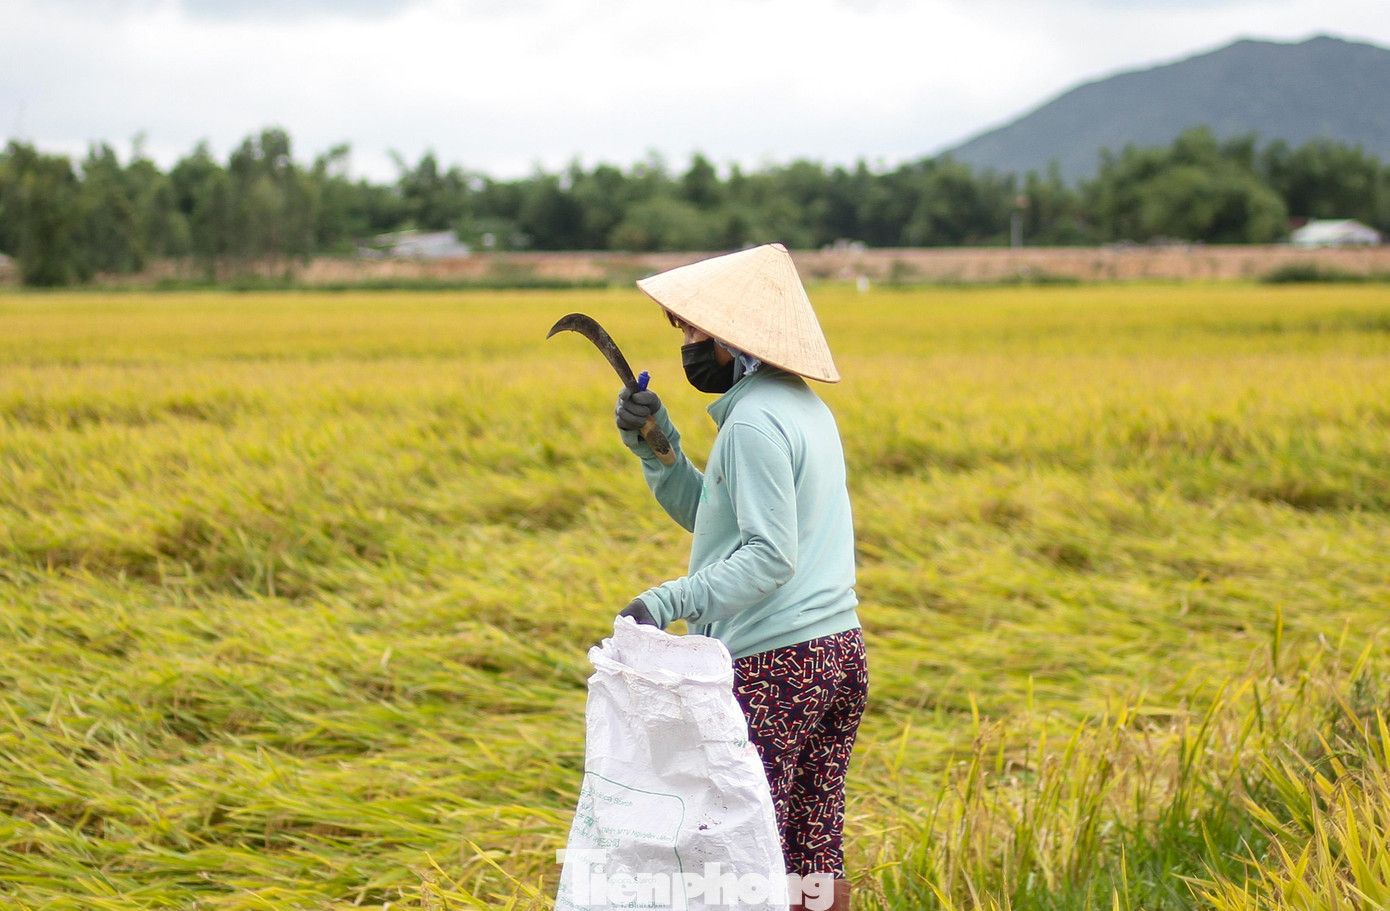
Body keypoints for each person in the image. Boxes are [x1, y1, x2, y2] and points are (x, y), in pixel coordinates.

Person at [612, 243, 866, 911]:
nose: (687, 346)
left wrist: (667, 598)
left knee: (744, 856)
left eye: (695, 331)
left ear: (733, 340)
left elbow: (768, 554)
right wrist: (658, 443)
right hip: (836, 652)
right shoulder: (799, 406)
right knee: (810, 847)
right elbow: (715, 518)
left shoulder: (753, 422)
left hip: (777, 660)